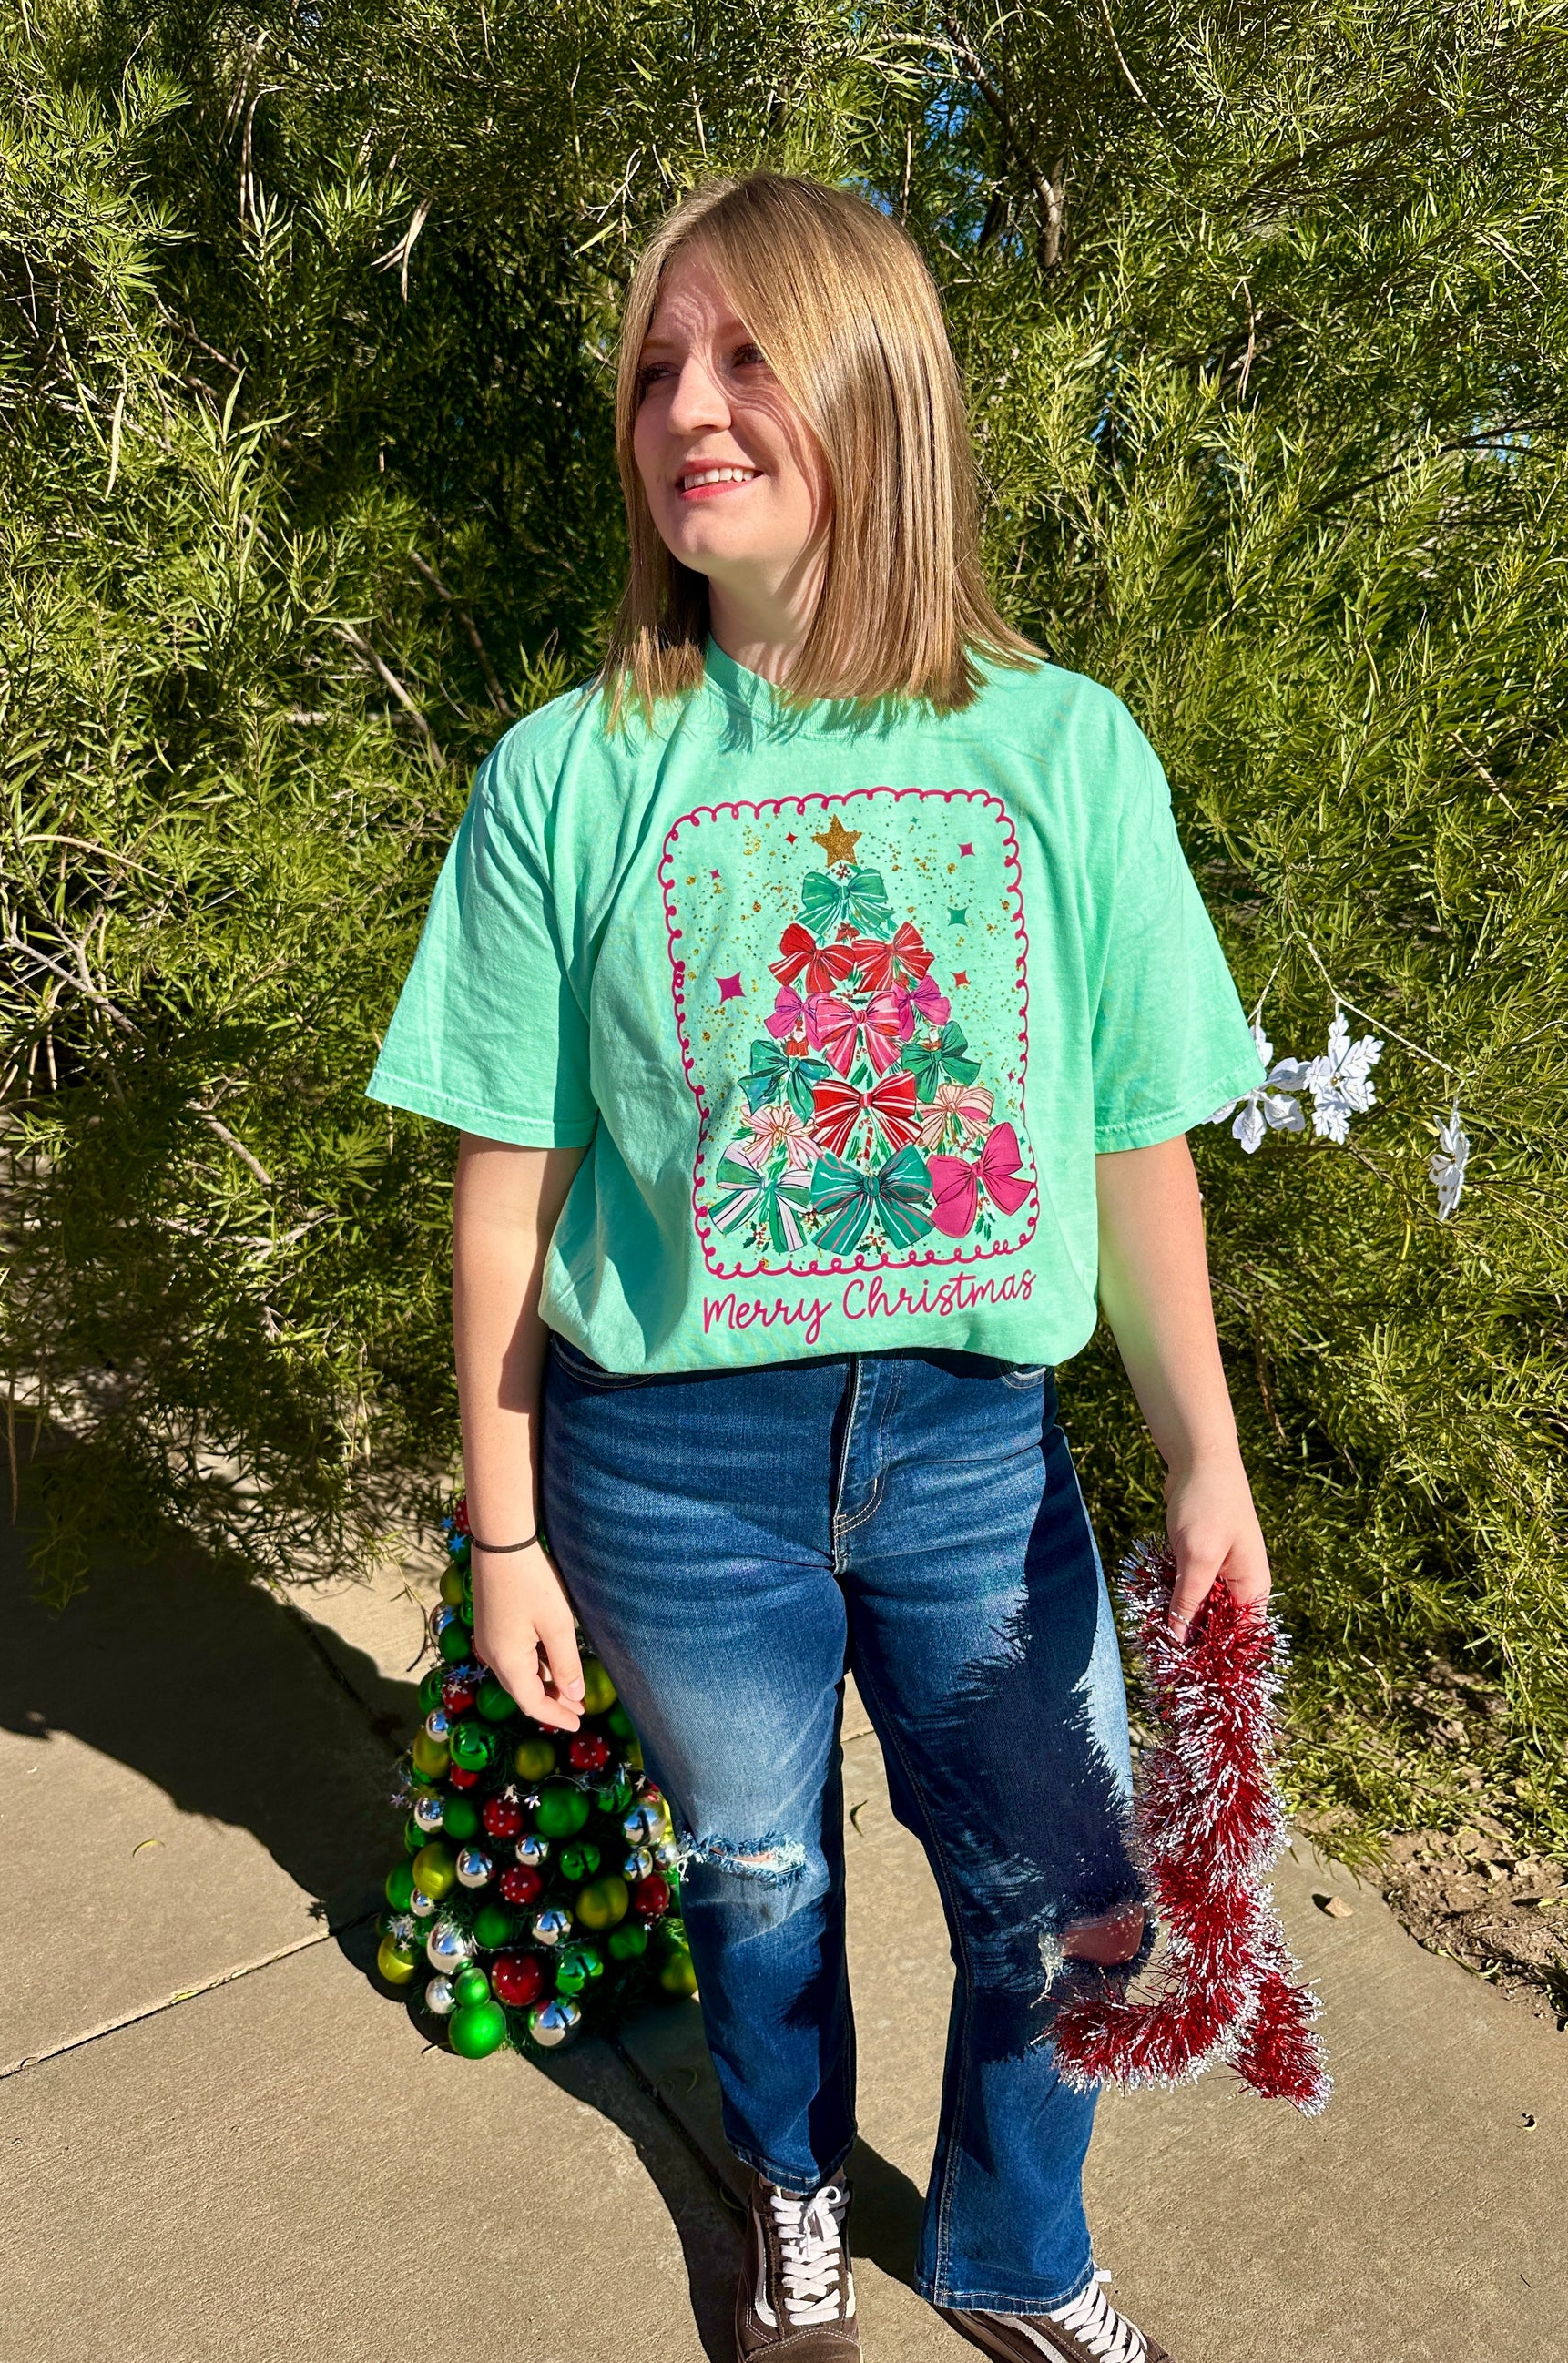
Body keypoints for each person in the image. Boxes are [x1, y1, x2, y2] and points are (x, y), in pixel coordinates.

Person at [368, 171, 1271, 2363]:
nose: (689, 406)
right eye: (657, 368)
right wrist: (502, 1530)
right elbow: (506, 1191)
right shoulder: (565, 776)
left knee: (1076, 1890)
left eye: (749, 354)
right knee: (756, 1874)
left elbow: (1131, 1137)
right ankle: (789, 2190)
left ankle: (1017, 2245)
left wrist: (1201, 1453)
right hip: (671, 1471)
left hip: (973, 1447)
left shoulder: (1065, 749)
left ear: (880, 388)